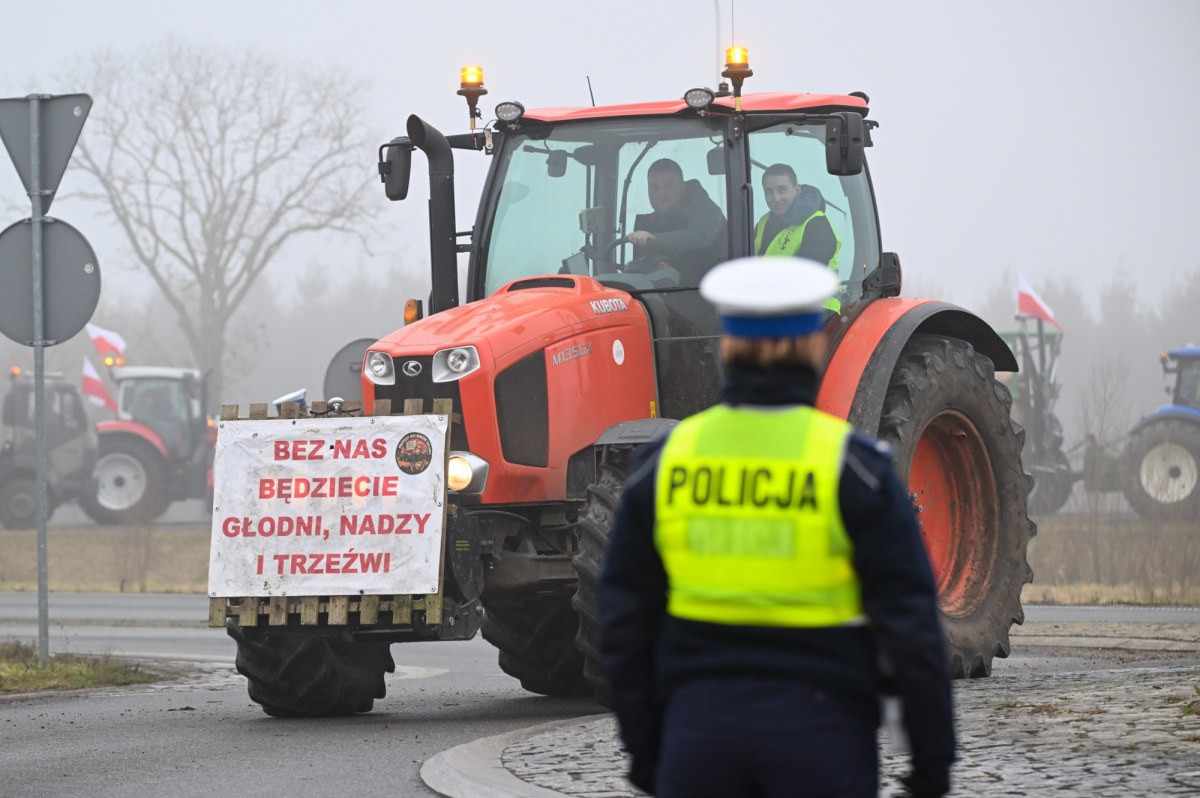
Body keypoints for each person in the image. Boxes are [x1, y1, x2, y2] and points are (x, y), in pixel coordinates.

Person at [598, 256, 956, 798]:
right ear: (813, 346)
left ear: (727, 346)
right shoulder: (853, 468)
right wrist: (930, 763)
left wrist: (648, 747)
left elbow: (623, 621)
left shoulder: (664, 464)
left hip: (698, 736)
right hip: (822, 740)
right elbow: (912, 627)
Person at [627, 158, 726, 283]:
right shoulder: (651, 223)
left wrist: (654, 239)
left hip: (711, 294)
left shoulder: (707, 210)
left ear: (683, 186)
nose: (661, 193)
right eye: (654, 187)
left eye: (669, 185)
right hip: (662, 297)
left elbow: (698, 236)